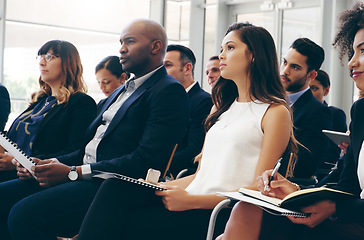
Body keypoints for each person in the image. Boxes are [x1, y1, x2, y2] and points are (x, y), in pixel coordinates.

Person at [75, 22, 298, 240]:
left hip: (220, 211)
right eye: (221, 49)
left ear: (254, 55)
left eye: (230, 48)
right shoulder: (221, 107)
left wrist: (191, 201)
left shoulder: (275, 112)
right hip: (192, 199)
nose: (221, 55)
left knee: (124, 223)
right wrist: (163, 185)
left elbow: (260, 189)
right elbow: (202, 175)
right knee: (115, 186)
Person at [0, 18, 189, 240]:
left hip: (110, 186)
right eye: (120, 42)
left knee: (23, 216)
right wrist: (48, 164)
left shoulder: (168, 91)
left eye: (129, 41)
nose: (121, 49)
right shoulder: (122, 91)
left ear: (155, 47)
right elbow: (85, 149)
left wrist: (74, 172)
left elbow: (147, 160)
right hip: (83, 175)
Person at [219, 2, 364, 240]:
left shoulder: (312, 111)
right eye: (284, 62)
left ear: (311, 75)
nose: (351, 63)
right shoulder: (360, 110)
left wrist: (334, 207)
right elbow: (345, 183)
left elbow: (306, 162)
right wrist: (297, 191)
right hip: (346, 212)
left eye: (363, 51)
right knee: (247, 209)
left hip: (353, 217)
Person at [0, 40, 97, 183]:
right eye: (40, 57)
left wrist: (18, 162)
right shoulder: (40, 101)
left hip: (35, 177)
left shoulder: (81, 102)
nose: (42, 62)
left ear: (68, 63)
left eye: (50, 56)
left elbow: (75, 152)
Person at [280, 38, 332, 179]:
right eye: (285, 62)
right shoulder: (267, 100)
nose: (285, 71)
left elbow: (306, 165)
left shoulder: (318, 112)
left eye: (295, 67)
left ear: (311, 75)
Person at [164, 44, 213, 177]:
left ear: (187, 68)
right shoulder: (163, 101)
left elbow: (194, 150)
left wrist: (159, 163)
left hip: (177, 174)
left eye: (167, 65)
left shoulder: (204, 101)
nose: (162, 71)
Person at [309, 69, 347, 181]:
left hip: (321, 173)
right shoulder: (293, 113)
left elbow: (333, 152)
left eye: (314, 88)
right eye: (306, 88)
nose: (309, 93)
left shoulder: (335, 114)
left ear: (326, 91)